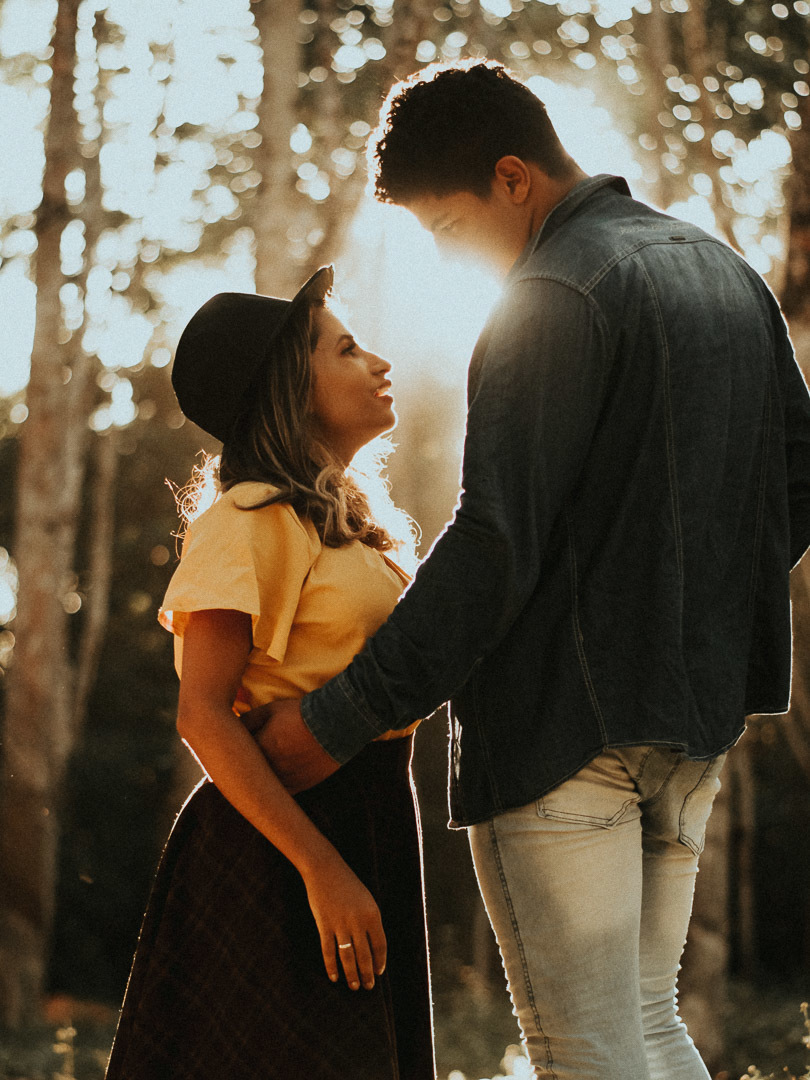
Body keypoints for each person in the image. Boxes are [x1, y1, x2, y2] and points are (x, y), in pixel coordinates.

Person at [252, 62, 810, 1080]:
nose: (455, 261)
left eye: (449, 230)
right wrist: (694, 611)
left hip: (563, 737)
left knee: (585, 1048)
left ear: (514, 179)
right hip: (691, 727)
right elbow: (796, 483)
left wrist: (332, 721)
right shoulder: (724, 269)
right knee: (647, 1026)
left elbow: (493, 543)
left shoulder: (550, 295)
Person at [104, 266, 434, 1080]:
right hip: (278, 850)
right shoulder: (247, 519)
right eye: (349, 349)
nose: (380, 363)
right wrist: (321, 869)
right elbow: (201, 716)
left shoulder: (348, 525)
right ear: (293, 388)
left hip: (378, 816)